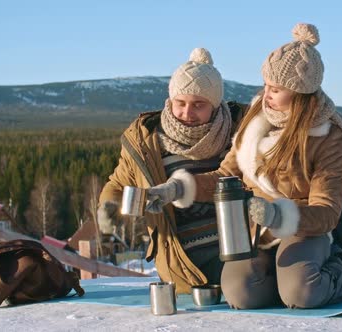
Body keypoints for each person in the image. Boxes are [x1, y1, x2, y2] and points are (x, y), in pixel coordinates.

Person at [145, 23, 342, 309]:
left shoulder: (327, 137)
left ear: (300, 93)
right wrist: (176, 188)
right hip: (257, 231)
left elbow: (327, 212)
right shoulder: (256, 122)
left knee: (302, 293)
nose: (266, 94)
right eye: (266, 85)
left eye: (275, 89)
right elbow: (224, 176)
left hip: (303, 229)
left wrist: (277, 214)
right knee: (240, 294)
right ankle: (288, 283)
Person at [97, 48, 246, 294]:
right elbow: (117, 184)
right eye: (181, 103)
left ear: (216, 104)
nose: (187, 113)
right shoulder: (147, 142)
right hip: (181, 263)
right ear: (170, 100)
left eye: (199, 105)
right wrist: (109, 207)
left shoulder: (239, 133)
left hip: (242, 255)